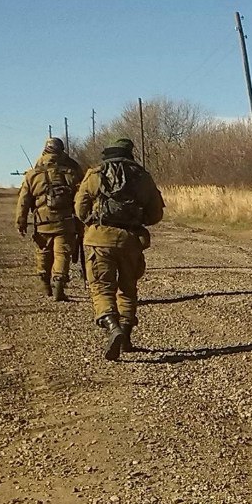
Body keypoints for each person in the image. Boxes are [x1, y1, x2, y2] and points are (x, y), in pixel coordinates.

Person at [74, 138, 165, 361]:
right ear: (130, 153)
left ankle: (111, 325)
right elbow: (156, 214)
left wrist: (93, 221)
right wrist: (137, 219)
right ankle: (125, 336)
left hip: (99, 239)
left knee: (101, 287)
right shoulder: (142, 177)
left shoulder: (94, 175)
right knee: (128, 289)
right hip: (130, 241)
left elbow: (80, 209)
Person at [15, 137, 83, 301]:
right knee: (62, 253)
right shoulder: (71, 172)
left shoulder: (32, 175)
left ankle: (44, 281)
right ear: (61, 151)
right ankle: (59, 282)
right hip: (65, 222)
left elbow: (23, 200)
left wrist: (21, 221)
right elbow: (81, 198)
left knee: (43, 251)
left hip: (42, 222)